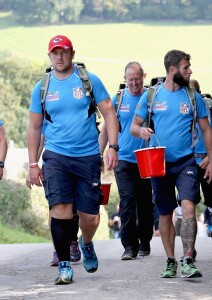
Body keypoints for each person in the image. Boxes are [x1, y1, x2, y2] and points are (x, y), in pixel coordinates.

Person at [27, 35, 119, 285]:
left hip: (88, 156)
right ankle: (65, 265)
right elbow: (34, 128)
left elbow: (109, 112)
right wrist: (33, 164)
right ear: (49, 56)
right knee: (61, 211)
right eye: (55, 52)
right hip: (56, 156)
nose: (59, 57)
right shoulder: (42, 87)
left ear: (72, 53)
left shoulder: (88, 80)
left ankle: (86, 242)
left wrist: (113, 147)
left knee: (90, 216)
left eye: (64, 52)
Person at [130, 50, 212, 278]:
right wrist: (143, 130)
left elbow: (206, 130)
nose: (190, 71)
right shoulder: (151, 96)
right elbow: (134, 126)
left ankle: (188, 258)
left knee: (188, 207)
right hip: (159, 164)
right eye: (186, 67)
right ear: (172, 70)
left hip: (186, 162)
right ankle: (170, 260)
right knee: (166, 213)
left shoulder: (192, 97)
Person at [100, 62, 153, 260]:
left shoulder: (151, 98)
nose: (134, 83)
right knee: (128, 200)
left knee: (145, 202)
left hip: (146, 158)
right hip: (123, 157)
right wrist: (100, 153)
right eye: (130, 80)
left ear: (143, 77)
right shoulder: (118, 99)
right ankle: (129, 246)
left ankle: (145, 240)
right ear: (125, 79)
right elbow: (107, 128)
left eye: (137, 79)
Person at [25, 127, 81, 267]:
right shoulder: (47, 109)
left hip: (78, 163)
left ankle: (73, 240)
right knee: (55, 208)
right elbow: (40, 139)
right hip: (52, 166)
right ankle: (58, 249)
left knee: (74, 208)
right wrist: (33, 166)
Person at [190, 79, 212, 257]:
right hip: (187, 163)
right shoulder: (179, 108)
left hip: (210, 161)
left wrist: (211, 157)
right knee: (187, 204)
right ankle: (190, 247)